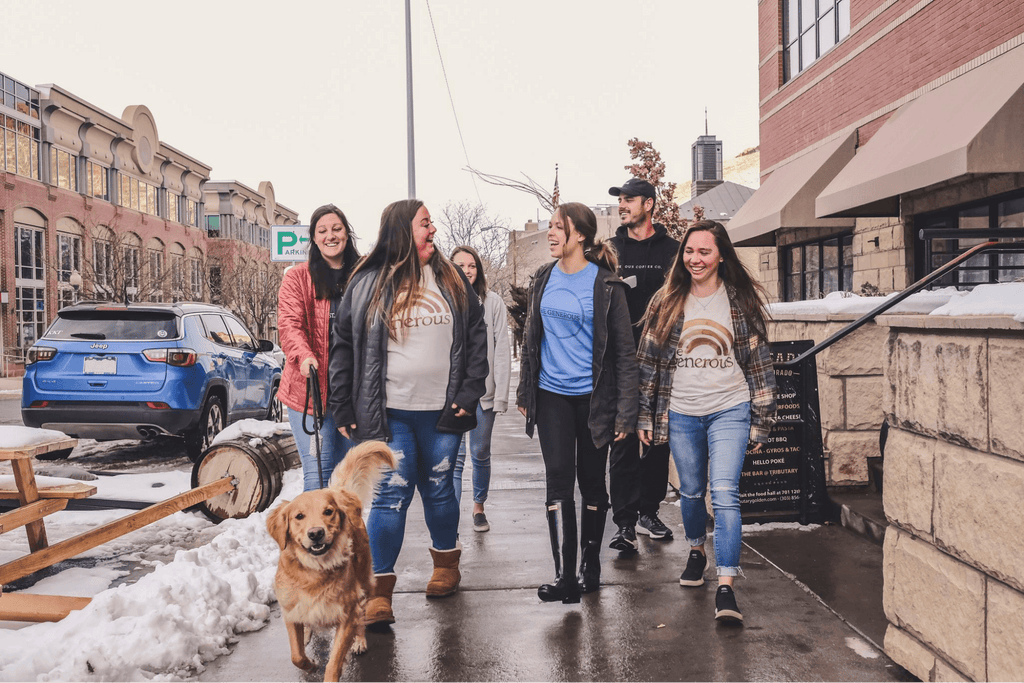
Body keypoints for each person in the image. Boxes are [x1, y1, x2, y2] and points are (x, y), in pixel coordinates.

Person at [328, 199, 488, 629]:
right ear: (402, 230)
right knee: (391, 494)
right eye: (425, 224)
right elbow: (343, 346)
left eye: (432, 223)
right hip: (388, 413)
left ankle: (445, 565)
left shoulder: (451, 278)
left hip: (443, 410)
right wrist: (342, 403)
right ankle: (379, 593)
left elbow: (476, 334)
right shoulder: (367, 281)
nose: (433, 230)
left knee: (438, 487)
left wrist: (471, 391)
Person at [636, 220, 777, 623]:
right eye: (689, 251)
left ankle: (727, 586)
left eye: (704, 252)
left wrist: (761, 420)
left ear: (720, 256)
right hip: (681, 411)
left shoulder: (739, 301)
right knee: (693, 492)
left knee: (725, 493)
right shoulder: (667, 300)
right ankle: (696, 548)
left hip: (729, 407)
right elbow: (646, 364)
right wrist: (644, 415)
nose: (695, 259)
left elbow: (759, 364)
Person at [516, 202, 638, 604]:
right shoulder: (542, 279)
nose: (550, 233)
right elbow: (533, 341)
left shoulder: (605, 286)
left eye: (557, 227)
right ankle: (564, 575)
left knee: (591, 484)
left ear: (579, 235)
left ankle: (591, 566)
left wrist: (625, 411)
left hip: (594, 400)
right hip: (552, 396)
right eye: (549, 226)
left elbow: (624, 354)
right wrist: (525, 392)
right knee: (558, 481)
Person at [606, 178, 682, 552]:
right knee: (621, 440)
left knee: (656, 440)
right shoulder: (608, 250)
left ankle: (648, 511)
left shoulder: (673, 251)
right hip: (619, 361)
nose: (623, 205)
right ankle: (623, 523)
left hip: (661, 361)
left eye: (629, 199)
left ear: (649, 205)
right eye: (620, 200)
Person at [277, 204, 360, 492]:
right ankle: (316, 537)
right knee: (320, 473)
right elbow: (289, 324)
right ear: (313, 238)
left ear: (346, 234)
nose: (330, 236)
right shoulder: (297, 277)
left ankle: (346, 536)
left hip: (353, 392)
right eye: (322, 231)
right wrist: (304, 356)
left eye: (336, 229)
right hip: (310, 392)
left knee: (349, 476)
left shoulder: (363, 276)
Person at [450, 245, 511, 533]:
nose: (467, 270)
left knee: (480, 452)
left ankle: (478, 506)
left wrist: (500, 395)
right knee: (454, 456)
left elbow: (501, 349)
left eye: (471, 265)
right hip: (450, 394)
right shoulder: (443, 301)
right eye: (460, 265)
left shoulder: (493, 302)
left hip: (483, 395)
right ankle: (450, 515)